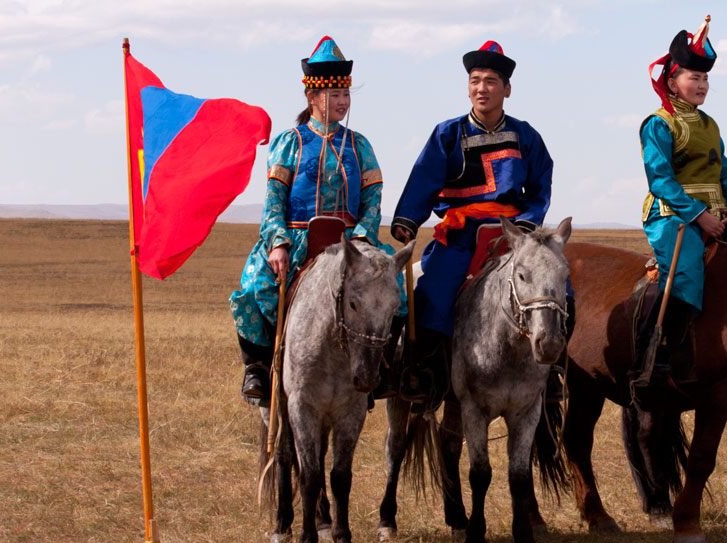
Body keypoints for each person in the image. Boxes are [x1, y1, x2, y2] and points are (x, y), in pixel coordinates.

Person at [229, 36, 402, 407]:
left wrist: (363, 237)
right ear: (312, 97)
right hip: (297, 238)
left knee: (395, 289)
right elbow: (274, 198)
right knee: (251, 288)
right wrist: (276, 242)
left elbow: (373, 197)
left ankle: (382, 365)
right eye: (333, 94)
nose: (341, 101)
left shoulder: (360, 145)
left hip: (352, 244)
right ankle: (258, 367)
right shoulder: (289, 142)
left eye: (345, 94)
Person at [391, 40, 561, 404]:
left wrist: (529, 223)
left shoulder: (526, 135)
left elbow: (541, 182)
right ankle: (426, 370)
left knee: (560, 290)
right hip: (461, 232)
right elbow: (424, 178)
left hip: (513, 235)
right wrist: (408, 218)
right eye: (474, 80)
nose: (481, 88)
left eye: (490, 81)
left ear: (507, 89)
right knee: (432, 291)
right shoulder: (447, 134)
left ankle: (555, 372)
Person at [633, 16, 727, 391]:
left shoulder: (710, 125)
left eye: (705, 79)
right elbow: (661, 180)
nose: (701, 85)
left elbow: (726, 174)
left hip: (719, 216)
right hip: (673, 216)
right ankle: (667, 352)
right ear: (672, 82)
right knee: (685, 271)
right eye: (693, 77)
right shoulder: (659, 123)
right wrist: (700, 218)